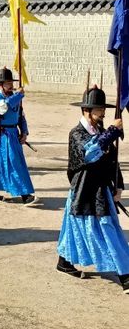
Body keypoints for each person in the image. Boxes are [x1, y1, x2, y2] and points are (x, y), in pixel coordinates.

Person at [56, 85, 129, 293]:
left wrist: (119, 186)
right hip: (82, 189)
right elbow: (91, 152)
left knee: (94, 228)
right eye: (98, 110)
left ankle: (64, 261)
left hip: (101, 188)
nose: (102, 113)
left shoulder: (102, 131)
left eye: (103, 110)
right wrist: (114, 131)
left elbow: (112, 161)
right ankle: (126, 275)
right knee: (101, 229)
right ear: (86, 111)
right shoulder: (76, 134)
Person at [0, 67, 37, 205]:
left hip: (12, 134)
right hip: (0, 134)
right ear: (0, 84)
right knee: (8, 163)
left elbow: (21, 115)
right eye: (8, 83)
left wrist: (24, 132)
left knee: (16, 163)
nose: (11, 85)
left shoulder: (13, 97)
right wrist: (17, 96)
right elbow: (1, 109)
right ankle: (23, 194)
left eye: (11, 82)